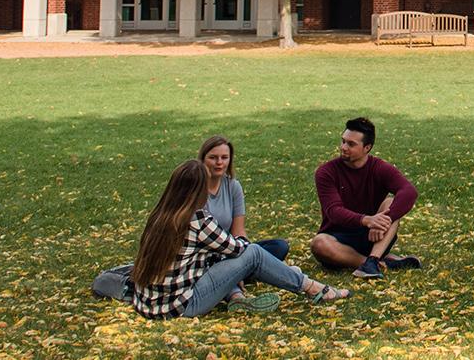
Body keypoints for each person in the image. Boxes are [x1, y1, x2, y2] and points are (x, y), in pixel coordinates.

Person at [130, 160, 349, 319]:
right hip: (181, 305)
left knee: (225, 256)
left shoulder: (160, 214)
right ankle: (311, 286)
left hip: (147, 302)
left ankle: (238, 295)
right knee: (253, 253)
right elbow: (236, 249)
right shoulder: (197, 219)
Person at [310, 117, 422, 279]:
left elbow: (409, 192)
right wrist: (367, 220)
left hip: (374, 236)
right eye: (343, 141)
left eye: (351, 144)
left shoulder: (379, 168)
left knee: (391, 203)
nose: (343, 147)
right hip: (338, 239)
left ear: (367, 148)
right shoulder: (326, 172)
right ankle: (375, 263)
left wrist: (384, 220)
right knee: (319, 244)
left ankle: (374, 258)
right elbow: (333, 211)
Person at [198, 135, 292, 305]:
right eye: (213, 158)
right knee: (218, 263)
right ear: (203, 159)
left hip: (231, 248)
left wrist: (239, 259)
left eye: (224, 158)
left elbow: (239, 232)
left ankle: (239, 274)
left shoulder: (233, 186)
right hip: (204, 255)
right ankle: (234, 291)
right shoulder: (195, 189)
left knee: (278, 247)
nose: (219, 162)